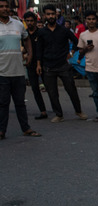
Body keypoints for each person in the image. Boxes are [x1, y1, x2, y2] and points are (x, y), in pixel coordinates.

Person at [36, 4, 87, 123]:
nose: (51, 16)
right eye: (48, 14)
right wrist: (39, 64)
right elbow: (39, 49)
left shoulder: (64, 30)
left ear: (56, 14)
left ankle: (78, 111)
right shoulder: (42, 32)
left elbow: (77, 42)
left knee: (71, 89)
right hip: (48, 66)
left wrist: (72, 52)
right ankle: (59, 114)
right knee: (52, 92)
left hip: (63, 65)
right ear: (45, 16)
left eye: (52, 14)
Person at [0, 0, 40, 140]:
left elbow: (26, 38)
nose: (4, 9)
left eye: (6, 6)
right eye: (1, 7)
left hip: (18, 71)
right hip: (2, 73)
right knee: (3, 103)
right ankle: (1, 131)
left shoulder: (18, 24)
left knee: (20, 103)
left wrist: (30, 53)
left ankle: (26, 128)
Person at [23, 11, 48, 120]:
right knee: (35, 88)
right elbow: (23, 48)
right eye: (27, 21)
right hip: (30, 64)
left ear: (35, 21)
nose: (30, 23)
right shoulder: (24, 34)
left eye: (31, 21)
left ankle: (58, 111)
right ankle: (43, 111)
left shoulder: (41, 32)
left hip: (44, 63)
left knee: (49, 87)